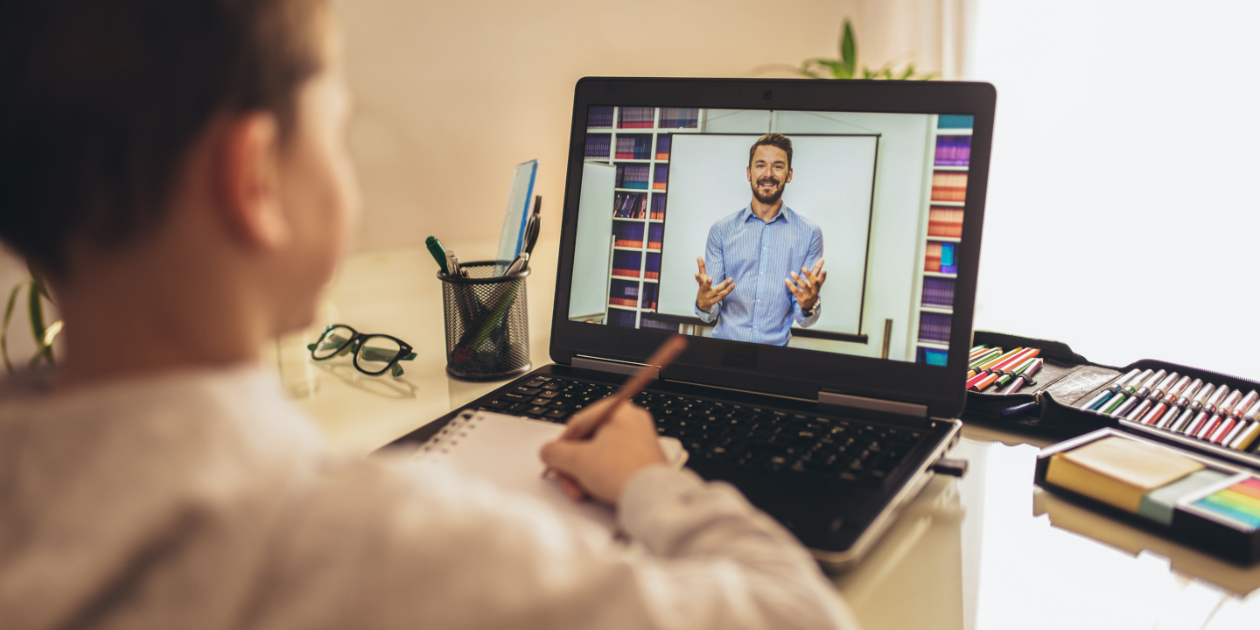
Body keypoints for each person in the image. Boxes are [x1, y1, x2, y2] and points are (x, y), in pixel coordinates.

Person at [0, 1, 859, 628]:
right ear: (253, 182)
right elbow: (797, 615)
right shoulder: (373, 550)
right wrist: (649, 483)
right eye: (339, 133)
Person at [694, 133, 828, 346]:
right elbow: (709, 312)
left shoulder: (810, 234)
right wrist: (703, 303)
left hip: (773, 360)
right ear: (749, 173)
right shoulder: (721, 230)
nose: (768, 174)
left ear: (789, 174)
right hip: (722, 352)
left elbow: (805, 319)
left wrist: (808, 306)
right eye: (760, 165)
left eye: (777, 166)